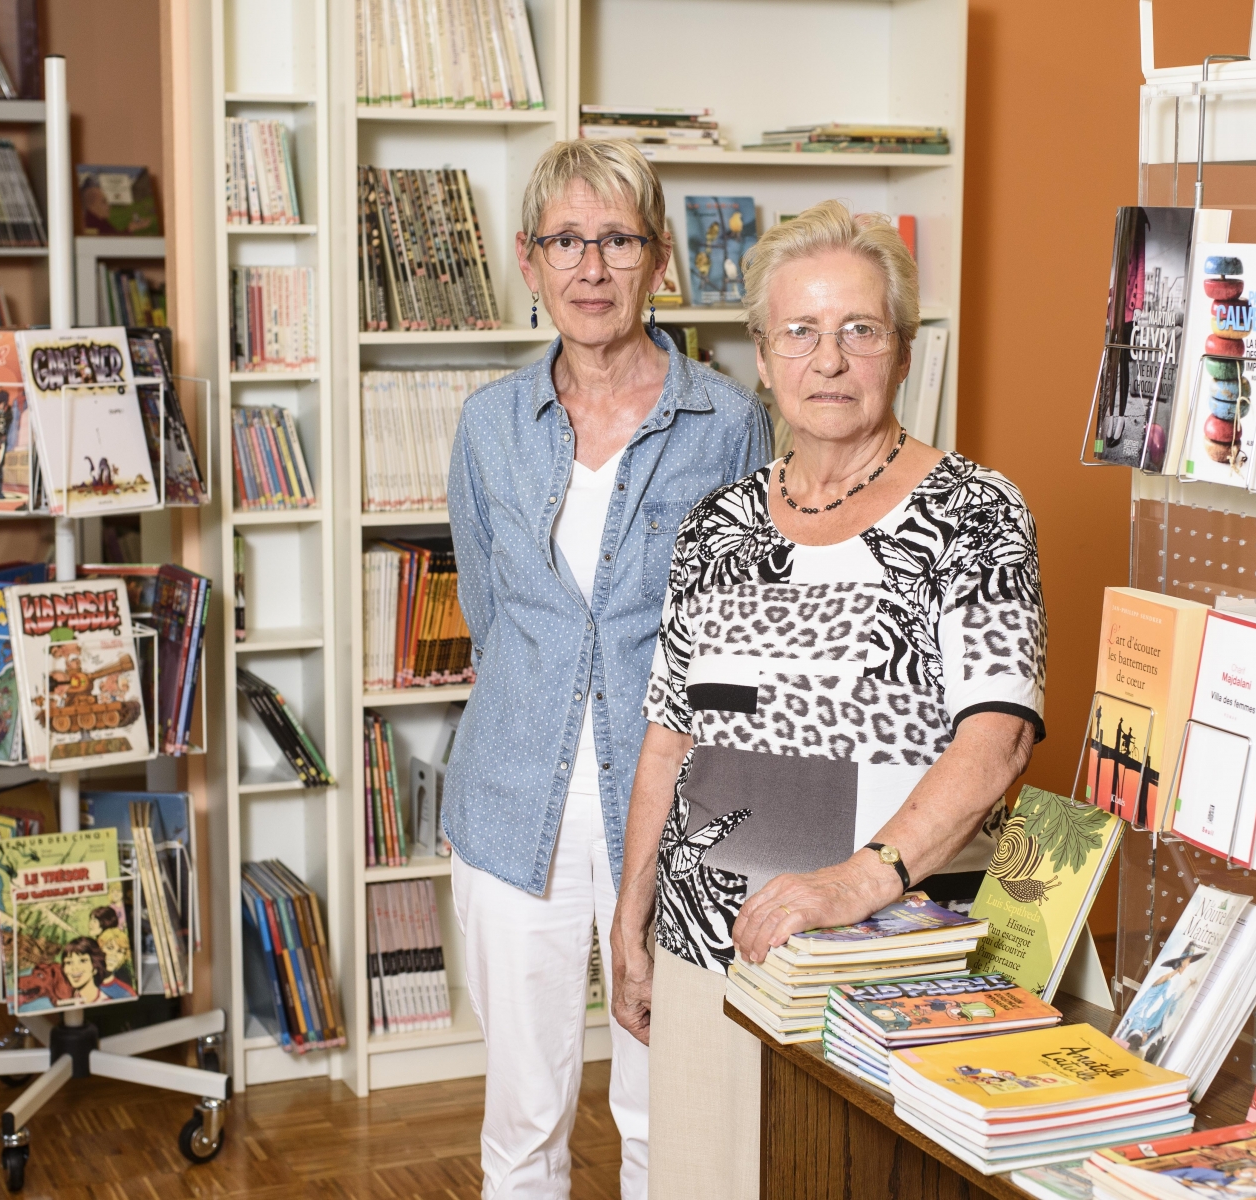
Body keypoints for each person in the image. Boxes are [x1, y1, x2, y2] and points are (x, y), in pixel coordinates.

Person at [608, 200, 1046, 1199]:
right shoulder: (717, 525)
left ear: (899, 350)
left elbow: (998, 740)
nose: (830, 359)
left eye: (860, 330)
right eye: (800, 333)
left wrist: (858, 880)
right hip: (708, 948)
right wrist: (632, 917)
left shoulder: (973, 513)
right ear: (762, 357)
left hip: (883, 961)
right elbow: (669, 735)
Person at [443, 137, 771, 1200]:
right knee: (524, 1117)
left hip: (675, 814)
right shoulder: (489, 425)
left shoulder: (729, 422)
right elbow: (489, 615)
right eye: (566, 242)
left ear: (660, 257)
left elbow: (753, 635)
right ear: (529, 262)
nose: (592, 267)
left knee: (663, 1113)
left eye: (618, 239)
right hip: (511, 803)